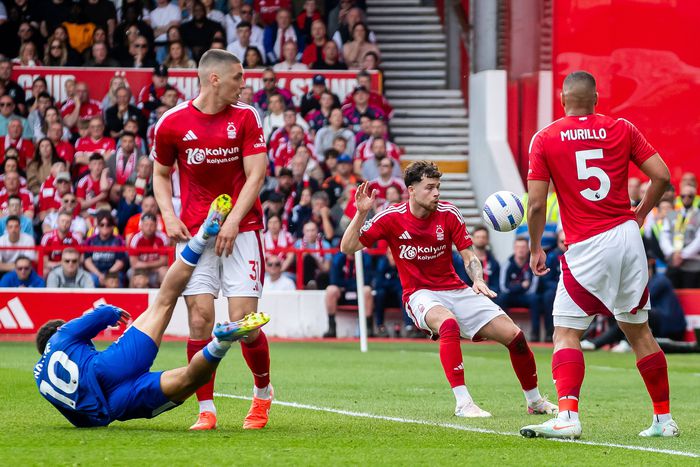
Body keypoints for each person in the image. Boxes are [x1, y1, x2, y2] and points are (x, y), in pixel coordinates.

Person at [521, 71, 678, 440]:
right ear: (596, 98)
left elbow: (537, 205)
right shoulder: (622, 127)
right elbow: (662, 176)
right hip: (627, 237)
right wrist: (638, 214)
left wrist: (533, 247)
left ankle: (567, 416)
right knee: (638, 331)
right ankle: (663, 420)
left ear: (562, 99)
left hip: (589, 243)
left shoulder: (545, 138)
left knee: (566, 331)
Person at [340, 161, 556, 418]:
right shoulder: (391, 217)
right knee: (448, 324)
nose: (436, 193)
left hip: (456, 289)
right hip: (419, 294)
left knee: (516, 337)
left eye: (438, 187)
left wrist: (477, 279)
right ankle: (464, 403)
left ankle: (534, 401)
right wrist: (362, 213)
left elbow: (469, 256)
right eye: (430, 187)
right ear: (411, 190)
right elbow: (348, 247)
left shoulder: (449, 213)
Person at [33, 195, 270, 428]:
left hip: (115, 407)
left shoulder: (38, 377)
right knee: (164, 301)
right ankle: (202, 236)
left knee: (190, 379)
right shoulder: (61, 334)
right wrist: (113, 313)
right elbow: (101, 314)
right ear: (56, 330)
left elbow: (80, 418)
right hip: (110, 365)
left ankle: (221, 342)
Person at [152, 49, 272, 431]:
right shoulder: (171, 123)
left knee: (244, 324)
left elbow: (256, 176)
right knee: (200, 321)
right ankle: (206, 409)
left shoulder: (247, 116)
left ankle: (263, 395)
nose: (244, 83)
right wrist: (168, 216)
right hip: (194, 234)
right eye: (238, 76)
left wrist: (234, 220)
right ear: (214, 79)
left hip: (244, 230)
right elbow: (160, 174)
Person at [323, 251, 374, 337]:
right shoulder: (338, 258)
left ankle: (368, 328)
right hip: (343, 293)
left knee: (367, 290)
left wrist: (349, 284)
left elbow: (367, 280)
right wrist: (352, 284)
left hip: (359, 292)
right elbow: (334, 280)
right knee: (331, 290)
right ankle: (331, 328)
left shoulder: (365, 258)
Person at [659, 182, 700, 288]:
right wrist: (672, 253)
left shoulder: (698, 215)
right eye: (683, 196)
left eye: (690, 196)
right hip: (673, 263)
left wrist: (682, 255)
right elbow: (664, 236)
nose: (686, 198)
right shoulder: (672, 214)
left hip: (693, 265)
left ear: (694, 197)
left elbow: (698, 240)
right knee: (672, 295)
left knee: (690, 297)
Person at [84, 211, 127, 287]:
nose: (105, 227)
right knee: (90, 279)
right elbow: (87, 261)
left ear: (112, 226)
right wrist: (99, 274)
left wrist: (107, 275)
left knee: (116, 280)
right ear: (97, 226)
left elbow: (120, 262)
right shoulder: (90, 240)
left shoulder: (119, 240)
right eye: (102, 224)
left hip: (113, 273)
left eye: (108, 224)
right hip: (95, 273)